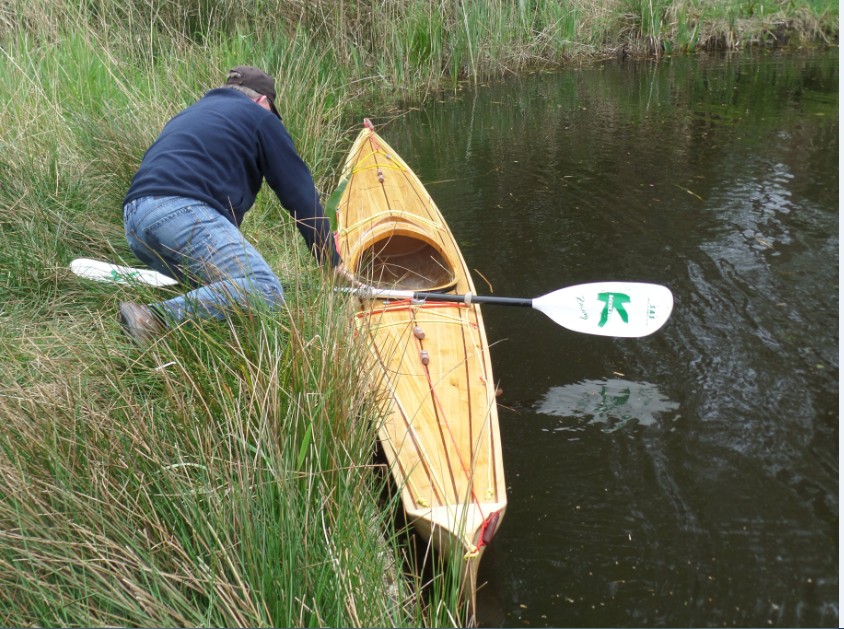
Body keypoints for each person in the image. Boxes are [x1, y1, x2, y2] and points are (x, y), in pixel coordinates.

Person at [119, 65, 355, 344]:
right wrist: (330, 262)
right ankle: (152, 318)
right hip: (181, 212)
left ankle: (187, 319)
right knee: (264, 289)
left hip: (135, 221)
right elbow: (300, 194)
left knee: (227, 289)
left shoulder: (191, 113)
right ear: (262, 101)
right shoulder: (260, 117)